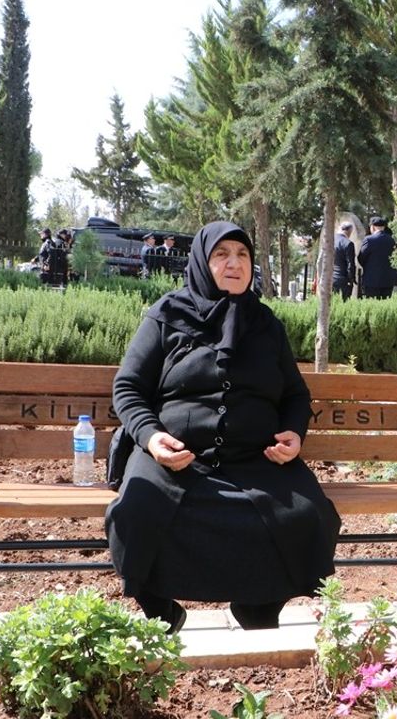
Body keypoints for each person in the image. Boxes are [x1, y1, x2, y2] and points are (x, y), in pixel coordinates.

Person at [105, 221, 340, 632]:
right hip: (175, 457)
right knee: (134, 512)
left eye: (243, 255)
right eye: (222, 255)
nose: (234, 264)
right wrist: (152, 437)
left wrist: (293, 431)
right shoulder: (166, 315)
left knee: (308, 514)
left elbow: (295, 395)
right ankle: (161, 612)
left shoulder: (266, 325)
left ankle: (258, 608)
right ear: (201, 261)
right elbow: (128, 387)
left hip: (255, 457)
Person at [358, 216, 397, 299]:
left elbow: (361, 258)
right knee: (385, 306)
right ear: (383, 227)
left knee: (372, 306)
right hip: (388, 280)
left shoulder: (369, 240)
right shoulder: (391, 240)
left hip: (371, 280)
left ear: (372, 227)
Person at [332, 221, 356, 301]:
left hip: (330, 277)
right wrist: (351, 279)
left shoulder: (330, 240)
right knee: (344, 303)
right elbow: (350, 264)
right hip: (343, 278)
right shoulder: (348, 243)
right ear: (349, 231)